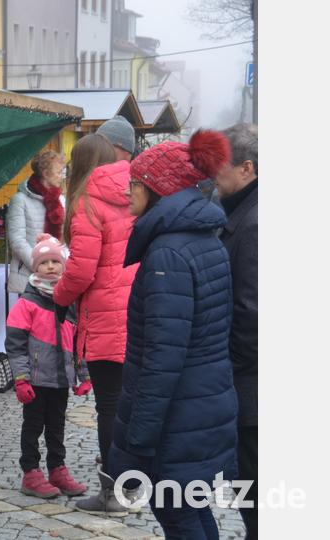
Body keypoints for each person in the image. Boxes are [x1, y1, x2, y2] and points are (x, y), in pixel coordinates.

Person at [110, 130, 238, 539]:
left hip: (178, 416)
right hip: (203, 404)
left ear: (159, 189)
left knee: (177, 514)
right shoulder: (203, 237)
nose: (127, 190)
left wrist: (138, 439)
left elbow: (162, 360)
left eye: (135, 183)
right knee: (190, 509)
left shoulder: (168, 252)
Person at [52, 134, 138, 515]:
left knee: (109, 406)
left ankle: (113, 494)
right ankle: (133, 484)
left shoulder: (87, 201)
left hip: (105, 315)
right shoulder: (135, 194)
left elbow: (82, 269)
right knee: (131, 404)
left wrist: (59, 297)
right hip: (138, 308)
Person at [6, 234, 92, 499]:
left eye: (56, 261)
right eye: (45, 263)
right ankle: (31, 472)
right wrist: (21, 378)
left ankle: (57, 468)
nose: (51, 267)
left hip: (61, 379)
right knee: (32, 425)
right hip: (34, 379)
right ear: (35, 267)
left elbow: (79, 340)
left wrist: (83, 375)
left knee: (57, 426)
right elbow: (15, 344)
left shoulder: (69, 302)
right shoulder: (27, 303)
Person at [215, 123, 258, 539]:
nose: (213, 175)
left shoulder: (255, 222)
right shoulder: (243, 211)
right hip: (248, 383)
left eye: (219, 166)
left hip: (252, 387)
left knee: (256, 493)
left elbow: (252, 314)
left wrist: (226, 367)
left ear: (246, 168)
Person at [5, 151, 67, 307]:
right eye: (59, 172)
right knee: (32, 326)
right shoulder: (20, 200)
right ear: (45, 173)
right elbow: (17, 240)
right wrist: (40, 265)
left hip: (58, 276)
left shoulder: (61, 200)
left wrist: (60, 264)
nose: (62, 176)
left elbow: (67, 237)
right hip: (29, 275)